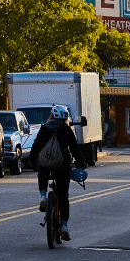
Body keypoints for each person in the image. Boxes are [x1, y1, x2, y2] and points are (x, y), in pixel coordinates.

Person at [32, 104, 89, 242]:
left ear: (51, 115)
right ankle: (64, 226)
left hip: (45, 164)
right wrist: (82, 163)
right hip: (61, 166)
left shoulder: (44, 129)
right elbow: (75, 149)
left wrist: (33, 161)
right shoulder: (66, 130)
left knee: (42, 172)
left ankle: (43, 197)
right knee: (63, 195)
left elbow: (35, 146)